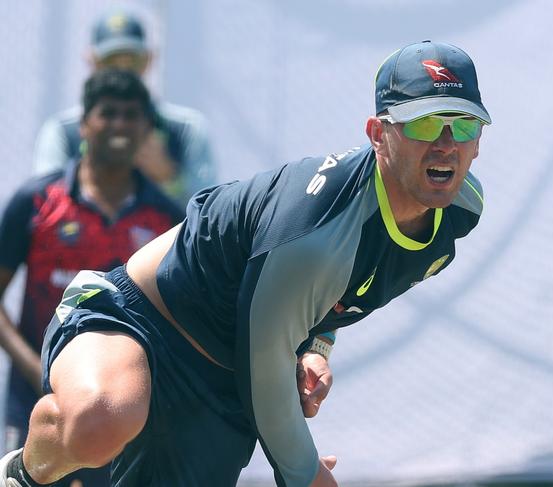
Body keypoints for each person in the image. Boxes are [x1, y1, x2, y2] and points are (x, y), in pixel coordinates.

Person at [0, 40, 491, 487]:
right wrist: (305, 473)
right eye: (424, 123)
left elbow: (340, 293)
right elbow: (266, 365)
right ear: (378, 134)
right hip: (139, 321)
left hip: (222, 377)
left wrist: (316, 343)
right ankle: (20, 474)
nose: (445, 143)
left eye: (463, 124)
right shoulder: (314, 230)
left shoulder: (458, 215)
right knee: (102, 420)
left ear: (478, 141)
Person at [0, 68, 184, 486]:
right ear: (85, 123)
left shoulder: (167, 219)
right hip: (35, 397)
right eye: (108, 113)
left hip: (118, 406)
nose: (119, 125)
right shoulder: (37, 202)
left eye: (131, 115)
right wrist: (36, 368)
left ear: (145, 129)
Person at [32, 9, 217, 209]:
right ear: (91, 60)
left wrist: (170, 178)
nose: (123, 70)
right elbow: (43, 206)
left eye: (132, 60)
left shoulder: (186, 127)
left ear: (149, 59)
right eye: (111, 61)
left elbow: (210, 214)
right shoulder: (62, 130)